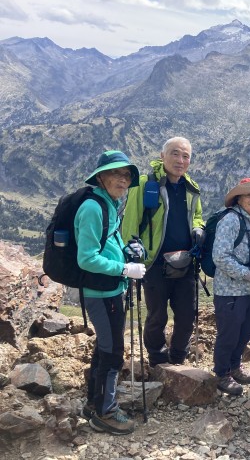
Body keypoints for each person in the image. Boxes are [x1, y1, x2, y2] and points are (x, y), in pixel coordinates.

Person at [77, 150, 146, 435]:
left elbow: (108, 242)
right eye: (116, 173)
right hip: (100, 293)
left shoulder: (109, 204)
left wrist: (128, 252)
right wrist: (124, 269)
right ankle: (105, 413)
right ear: (101, 177)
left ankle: (95, 402)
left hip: (109, 291)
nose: (123, 179)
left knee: (105, 347)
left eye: (127, 175)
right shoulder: (94, 207)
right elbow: (86, 258)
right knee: (113, 352)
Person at [122, 137, 205, 367]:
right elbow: (130, 222)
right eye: (175, 154)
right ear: (162, 156)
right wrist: (132, 251)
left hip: (185, 262)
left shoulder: (191, 188)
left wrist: (199, 228)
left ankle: (177, 357)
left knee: (187, 316)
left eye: (186, 156)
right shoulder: (145, 184)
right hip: (154, 263)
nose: (180, 160)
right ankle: (157, 360)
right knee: (157, 316)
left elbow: (197, 216)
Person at [211, 177, 250, 395]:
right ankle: (222, 373)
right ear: (239, 198)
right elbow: (220, 256)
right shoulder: (231, 220)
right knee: (229, 333)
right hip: (230, 289)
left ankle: (235, 367)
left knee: (245, 331)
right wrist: (246, 274)